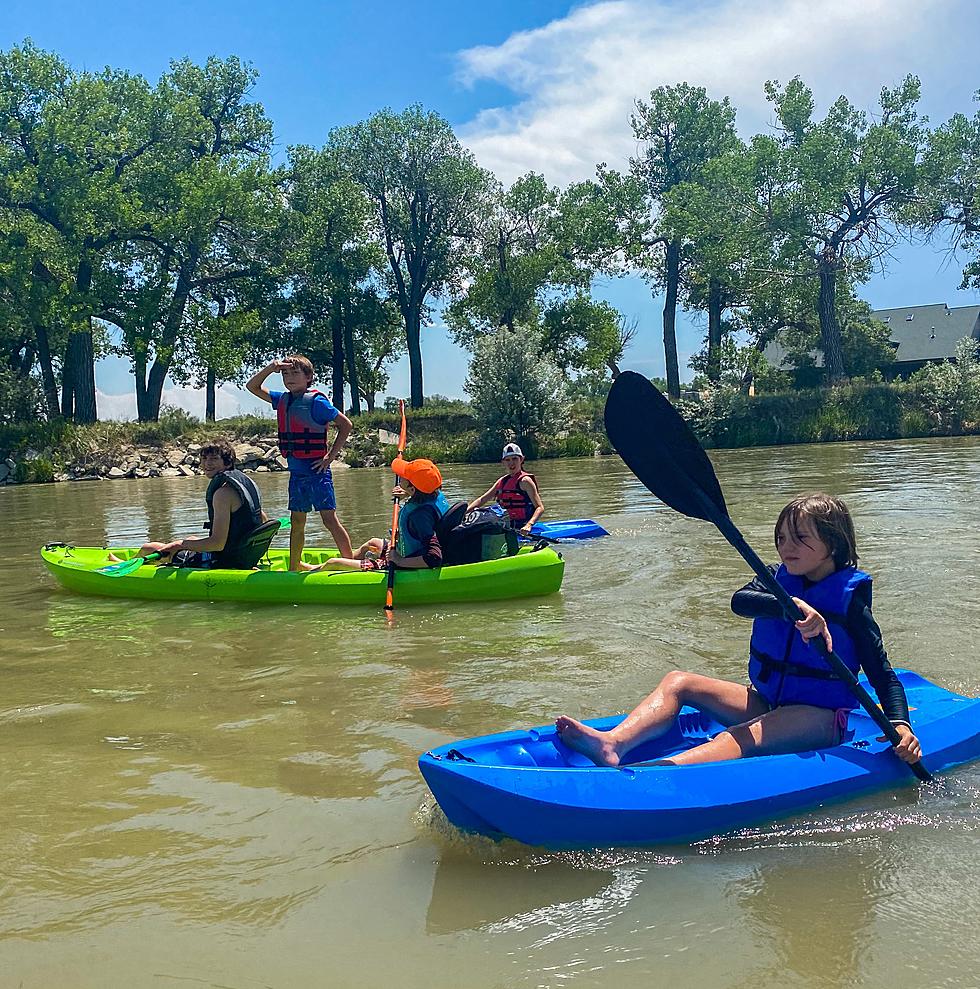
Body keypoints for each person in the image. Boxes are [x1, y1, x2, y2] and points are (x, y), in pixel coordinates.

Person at [556, 493, 922, 768]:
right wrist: (791, 606)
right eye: (781, 537)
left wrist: (901, 727)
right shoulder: (774, 579)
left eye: (799, 538)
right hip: (767, 700)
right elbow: (740, 601)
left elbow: (883, 676)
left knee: (740, 737)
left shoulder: (851, 603)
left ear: (833, 545)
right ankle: (613, 744)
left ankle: (657, 775)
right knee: (679, 681)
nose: (785, 546)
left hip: (819, 716)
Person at [246, 355, 353, 570]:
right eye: (285, 374)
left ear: (309, 377)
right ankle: (294, 568)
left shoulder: (317, 402)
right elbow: (252, 386)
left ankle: (351, 562)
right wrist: (272, 367)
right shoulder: (282, 399)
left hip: (317, 471)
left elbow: (346, 425)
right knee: (297, 522)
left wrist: (330, 457)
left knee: (329, 519)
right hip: (297, 474)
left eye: (295, 373)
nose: (289, 377)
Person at [112, 441, 268, 569]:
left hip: (224, 561)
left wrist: (178, 545)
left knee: (149, 548)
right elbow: (262, 518)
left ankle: (125, 566)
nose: (207, 464)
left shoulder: (222, 494)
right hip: (244, 556)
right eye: (204, 459)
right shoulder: (246, 484)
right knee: (191, 538)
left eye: (214, 459)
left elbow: (218, 544)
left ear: (227, 463)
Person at [314, 457, 448, 571]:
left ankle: (312, 570)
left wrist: (399, 561)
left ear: (413, 488)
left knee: (333, 563)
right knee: (371, 543)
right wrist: (408, 493)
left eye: (404, 477)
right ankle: (350, 563)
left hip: (406, 564)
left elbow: (434, 557)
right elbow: (422, 493)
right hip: (404, 551)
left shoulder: (419, 517)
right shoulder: (434, 494)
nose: (400, 476)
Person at [467, 442, 544, 537]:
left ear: (521, 459)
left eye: (515, 459)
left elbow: (539, 507)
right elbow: (482, 500)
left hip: (524, 527)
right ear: (503, 462)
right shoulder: (502, 481)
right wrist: (464, 513)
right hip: (507, 526)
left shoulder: (525, 481)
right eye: (508, 460)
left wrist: (529, 525)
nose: (511, 463)